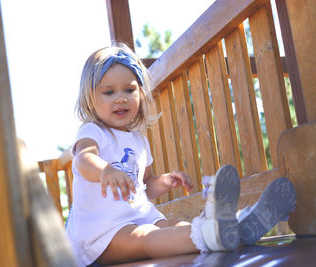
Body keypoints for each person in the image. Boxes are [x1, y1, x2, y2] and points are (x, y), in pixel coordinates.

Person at [65, 43, 296, 266]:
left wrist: (163, 181)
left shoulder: (138, 141)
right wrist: (105, 170)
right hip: (101, 235)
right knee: (146, 236)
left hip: (140, 216)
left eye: (129, 89)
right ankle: (213, 233)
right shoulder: (92, 131)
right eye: (109, 92)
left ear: (141, 94)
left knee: (175, 225)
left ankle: (235, 227)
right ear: (90, 99)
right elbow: (84, 158)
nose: (121, 98)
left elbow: (144, 187)